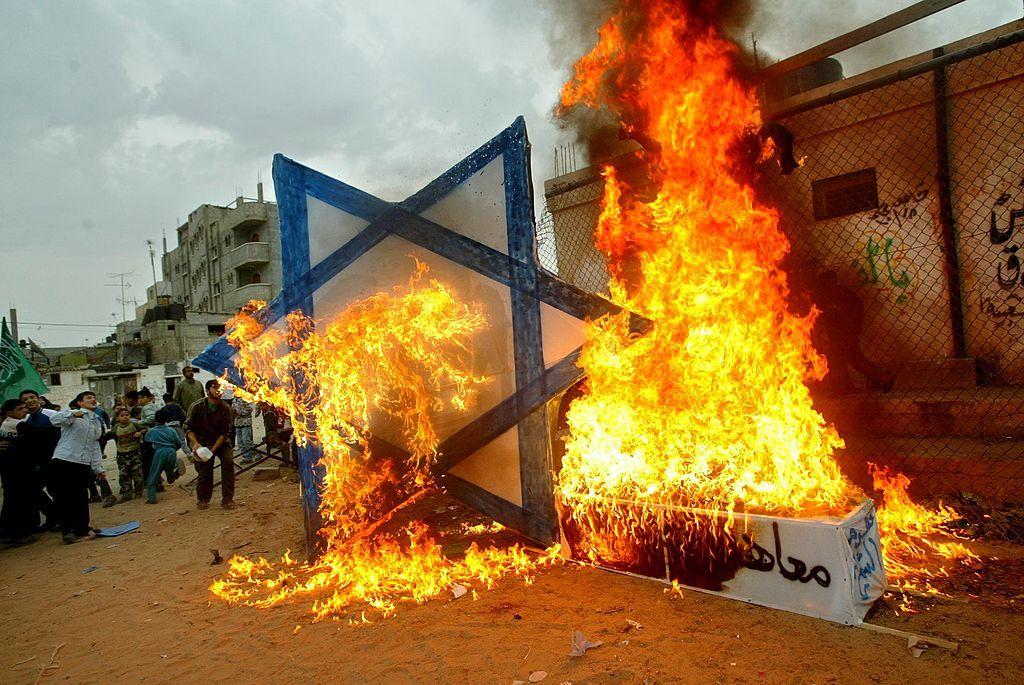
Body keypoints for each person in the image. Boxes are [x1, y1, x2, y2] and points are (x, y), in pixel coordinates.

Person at [812, 271, 896, 396]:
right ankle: (880, 377)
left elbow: (835, 315)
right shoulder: (838, 294)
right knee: (854, 359)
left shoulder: (836, 295)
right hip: (842, 334)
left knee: (841, 360)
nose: (823, 285)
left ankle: (845, 387)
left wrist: (852, 327)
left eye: (825, 283)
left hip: (841, 335)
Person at [49, 391, 108, 544]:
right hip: (64, 460)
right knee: (65, 497)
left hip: (82, 463)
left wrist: (98, 468)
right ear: (80, 402)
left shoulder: (96, 420)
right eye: (88, 398)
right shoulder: (73, 414)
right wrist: (74, 414)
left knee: (81, 497)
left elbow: (94, 445)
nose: (93, 399)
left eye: (94, 397)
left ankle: (82, 528)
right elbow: (54, 420)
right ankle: (67, 531)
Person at [186, 379, 235, 510]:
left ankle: (227, 499)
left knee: (228, 464)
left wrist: (212, 451)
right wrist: (196, 444)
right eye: (215, 387)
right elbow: (189, 428)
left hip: (221, 443)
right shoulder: (197, 406)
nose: (218, 390)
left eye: (220, 388)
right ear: (208, 391)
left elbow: (225, 433)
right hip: (202, 442)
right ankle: (203, 499)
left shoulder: (225, 408)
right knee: (204, 470)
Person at [17, 389, 60, 529]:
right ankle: (53, 515)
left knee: (56, 490)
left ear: (39, 398)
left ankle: (62, 520)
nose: (29, 401)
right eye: (25, 399)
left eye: (32, 397)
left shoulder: (52, 415)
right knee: (33, 490)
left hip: (54, 458)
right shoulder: (23, 419)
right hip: (35, 462)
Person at [0, 398, 38, 545]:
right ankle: (19, 534)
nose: (25, 411)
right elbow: (37, 435)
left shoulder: (5, 424)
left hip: (10, 470)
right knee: (18, 502)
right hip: (18, 470)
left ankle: (9, 532)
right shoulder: (19, 424)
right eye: (21, 409)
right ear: (10, 412)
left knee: (12, 501)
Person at [143, 407, 185, 504]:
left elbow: (147, 444)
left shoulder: (151, 431)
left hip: (160, 451)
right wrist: (173, 449)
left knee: (154, 475)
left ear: (155, 419)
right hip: (172, 451)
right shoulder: (171, 430)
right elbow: (179, 443)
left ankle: (152, 498)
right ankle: (176, 472)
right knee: (169, 476)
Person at [104, 407, 145, 503]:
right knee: (124, 475)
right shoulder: (116, 428)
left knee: (137, 474)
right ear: (118, 418)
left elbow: (144, 430)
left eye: (127, 415)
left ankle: (138, 491)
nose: (125, 417)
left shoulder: (134, 425)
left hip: (134, 453)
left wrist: (140, 433)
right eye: (122, 415)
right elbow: (108, 436)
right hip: (122, 455)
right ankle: (126, 493)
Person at [162, 392, 191, 460]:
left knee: (170, 442)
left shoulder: (163, 409)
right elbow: (184, 416)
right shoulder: (177, 407)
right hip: (178, 427)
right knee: (182, 441)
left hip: (168, 428)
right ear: (172, 399)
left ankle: (171, 457)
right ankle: (189, 454)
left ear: (164, 400)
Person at [231, 392, 257, 463]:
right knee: (240, 442)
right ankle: (247, 457)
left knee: (246, 440)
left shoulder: (246, 398)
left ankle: (257, 453)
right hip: (237, 423)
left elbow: (250, 408)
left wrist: (240, 412)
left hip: (246, 422)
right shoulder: (234, 400)